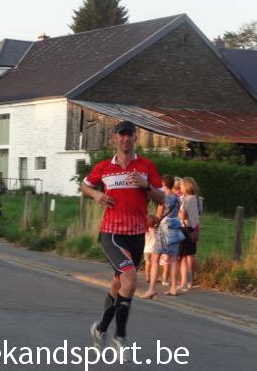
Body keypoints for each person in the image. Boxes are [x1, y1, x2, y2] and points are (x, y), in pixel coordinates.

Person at [81, 120, 164, 359]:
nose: (125, 138)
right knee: (130, 278)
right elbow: (85, 186)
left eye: (129, 135)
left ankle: (100, 329)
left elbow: (162, 199)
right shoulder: (104, 167)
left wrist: (146, 186)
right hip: (112, 233)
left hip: (137, 235)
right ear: (114, 138)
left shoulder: (146, 166)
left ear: (135, 138)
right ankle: (120, 337)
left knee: (120, 285)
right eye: (122, 135)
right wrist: (96, 194)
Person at [178, 177, 201, 291]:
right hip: (191, 229)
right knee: (188, 256)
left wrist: (179, 211)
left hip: (185, 229)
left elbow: (183, 215)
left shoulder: (188, 199)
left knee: (182, 257)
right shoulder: (195, 198)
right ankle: (188, 280)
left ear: (187, 186)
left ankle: (183, 282)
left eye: (182, 185)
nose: (180, 187)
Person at [143, 215, 159, 283]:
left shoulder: (146, 230)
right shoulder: (156, 231)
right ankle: (154, 277)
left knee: (148, 263)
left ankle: (147, 277)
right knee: (154, 264)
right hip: (154, 249)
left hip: (146, 249)